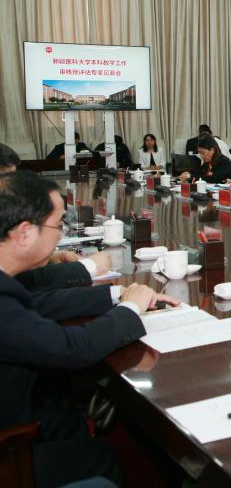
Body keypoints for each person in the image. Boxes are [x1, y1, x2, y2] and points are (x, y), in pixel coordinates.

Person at [0, 170, 178, 487]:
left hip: (16, 408)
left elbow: (36, 305)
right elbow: (72, 349)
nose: (60, 236)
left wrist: (118, 295)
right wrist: (129, 310)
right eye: (58, 226)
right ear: (24, 233)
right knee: (103, 458)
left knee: (64, 416)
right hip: (8, 447)